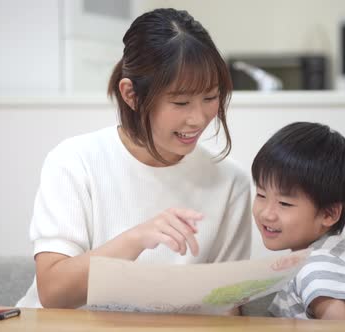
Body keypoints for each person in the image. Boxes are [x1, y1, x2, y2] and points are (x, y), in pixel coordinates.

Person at [16, 8, 252, 309]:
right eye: (180, 102)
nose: (199, 118)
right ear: (131, 95)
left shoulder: (231, 183)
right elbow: (54, 292)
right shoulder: (74, 161)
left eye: (210, 98)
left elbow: (225, 308)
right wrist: (137, 238)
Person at [251, 122, 345, 321]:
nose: (267, 213)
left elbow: (338, 327)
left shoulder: (317, 267)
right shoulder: (316, 259)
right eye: (261, 194)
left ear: (328, 214)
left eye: (284, 203)